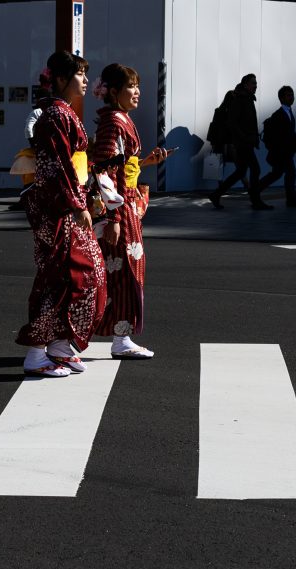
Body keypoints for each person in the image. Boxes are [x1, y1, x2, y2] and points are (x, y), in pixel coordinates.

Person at [16, 50, 106, 378]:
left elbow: (70, 166)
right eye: (79, 74)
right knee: (60, 277)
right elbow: (58, 166)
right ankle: (37, 352)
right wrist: (77, 203)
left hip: (65, 204)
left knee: (82, 275)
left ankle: (59, 345)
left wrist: (85, 198)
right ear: (61, 79)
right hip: (57, 208)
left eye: (84, 74)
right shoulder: (55, 115)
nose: (84, 80)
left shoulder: (64, 113)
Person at [91, 63, 170, 360]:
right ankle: (119, 339)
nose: (137, 92)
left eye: (137, 86)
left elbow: (120, 166)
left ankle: (118, 337)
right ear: (113, 92)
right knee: (122, 273)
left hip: (124, 208)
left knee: (124, 272)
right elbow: (104, 169)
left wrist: (146, 162)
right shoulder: (114, 122)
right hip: (119, 211)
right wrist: (112, 216)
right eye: (130, 87)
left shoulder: (118, 119)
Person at [208, 74, 265, 210]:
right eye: (253, 83)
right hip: (243, 143)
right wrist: (244, 138)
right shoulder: (240, 99)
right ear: (245, 84)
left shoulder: (248, 98)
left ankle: (216, 194)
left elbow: (249, 122)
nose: (255, 86)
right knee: (255, 169)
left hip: (247, 142)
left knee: (240, 172)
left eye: (256, 83)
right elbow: (232, 122)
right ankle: (256, 200)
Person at [252, 85, 296, 208]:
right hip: (281, 152)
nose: (291, 97)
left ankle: (255, 191)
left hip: (284, 152)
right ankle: (290, 200)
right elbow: (278, 136)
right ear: (281, 98)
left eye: (292, 94)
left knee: (279, 174)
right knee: (287, 173)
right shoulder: (279, 115)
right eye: (288, 95)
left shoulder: (288, 112)